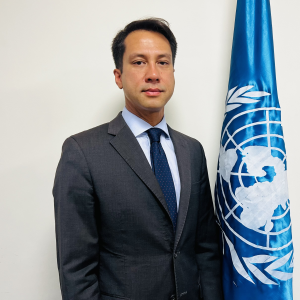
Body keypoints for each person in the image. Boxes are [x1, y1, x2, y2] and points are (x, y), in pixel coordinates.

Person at [53, 18, 223, 300]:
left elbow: (205, 249)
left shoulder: (192, 151)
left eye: (163, 62)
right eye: (139, 62)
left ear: (173, 73)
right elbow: (76, 269)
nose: (153, 74)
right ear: (118, 76)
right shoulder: (82, 152)